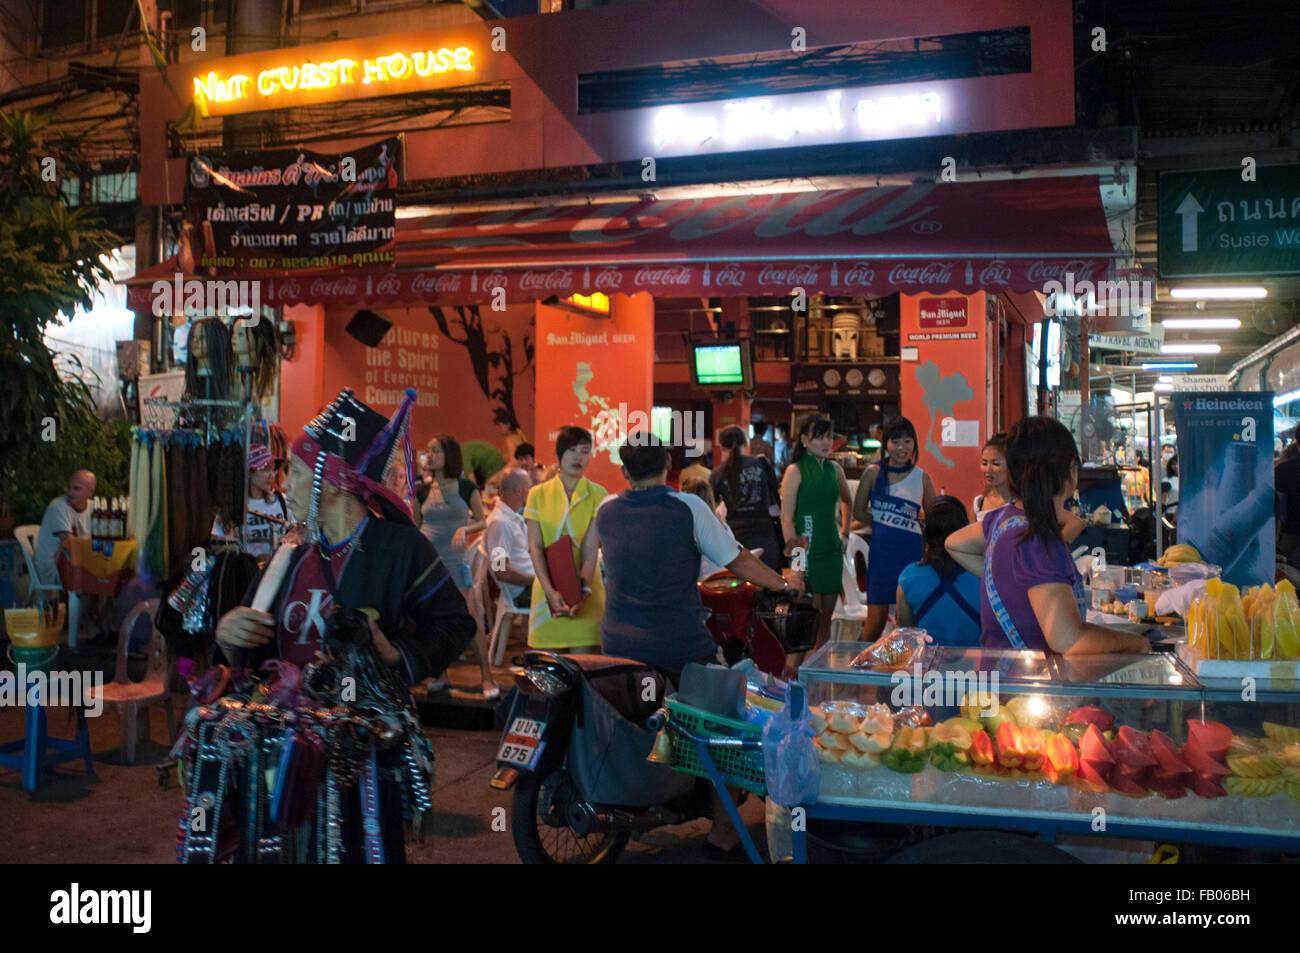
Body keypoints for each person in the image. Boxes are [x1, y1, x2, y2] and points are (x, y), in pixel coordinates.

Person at [214, 388, 477, 861]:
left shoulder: (400, 548)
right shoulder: (292, 554)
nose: (283, 486)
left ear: (327, 482)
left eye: (292, 474)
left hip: (360, 755)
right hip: (284, 751)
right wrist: (228, 631)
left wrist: (396, 655)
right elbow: (249, 645)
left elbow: (456, 625)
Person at [593, 434, 802, 854]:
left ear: (623, 471)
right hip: (675, 646)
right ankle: (724, 832)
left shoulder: (607, 509)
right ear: (668, 464)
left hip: (615, 643)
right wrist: (785, 583)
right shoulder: (688, 507)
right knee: (731, 723)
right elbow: (737, 560)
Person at [945, 416, 1152, 655]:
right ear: (1070, 471)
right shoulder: (1038, 540)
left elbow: (955, 544)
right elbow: (1068, 640)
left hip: (998, 681)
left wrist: (1010, 582)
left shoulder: (1003, 519)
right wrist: (1137, 644)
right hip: (1027, 686)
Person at [419, 435, 496, 698]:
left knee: (471, 616)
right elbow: (417, 526)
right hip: (430, 564)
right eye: (428, 450)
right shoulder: (422, 489)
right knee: (433, 620)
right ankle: (441, 674)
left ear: (448, 455)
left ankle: (487, 678)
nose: (429, 455)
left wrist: (464, 528)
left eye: (435, 450)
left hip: (457, 561)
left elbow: (481, 521)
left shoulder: (465, 487)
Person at [851, 418, 937, 641]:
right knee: (874, 623)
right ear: (885, 444)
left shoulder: (923, 477)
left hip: (912, 558)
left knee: (907, 623)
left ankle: (903, 672)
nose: (901, 447)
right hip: (881, 558)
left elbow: (935, 519)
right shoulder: (872, 473)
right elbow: (858, 513)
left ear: (915, 444)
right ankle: (855, 673)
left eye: (907, 441)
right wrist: (882, 519)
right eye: (895, 441)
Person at [523, 426, 607, 651]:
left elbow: (591, 550)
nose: (579, 456)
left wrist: (583, 591)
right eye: (572, 450)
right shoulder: (537, 494)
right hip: (546, 593)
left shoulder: (598, 494)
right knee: (548, 673)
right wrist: (551, 592)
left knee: (583, 671)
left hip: (587, 594)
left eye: (585, 451)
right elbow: (536, 547)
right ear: (558, 455)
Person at [781, 415, 855, 652]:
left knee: (825, 625)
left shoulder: (834, 468)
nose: (826, 442)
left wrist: (845, 533)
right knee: (806, 626)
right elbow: (786, 519)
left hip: (832, 550)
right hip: (807, 553)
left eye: (828, 437)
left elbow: (848, 500)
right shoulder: (795, 471)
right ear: (804, 440)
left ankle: (819, 681)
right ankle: (802, 682)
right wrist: (798, 562)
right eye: (819, 437)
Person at [896, 496, 981, 646]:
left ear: (927, 535)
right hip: (974, 664)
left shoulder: (909, 577)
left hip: (925, 665)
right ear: (965, 532)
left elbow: (905, 635)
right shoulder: (982, 575)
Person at [710, 425, 784, 573]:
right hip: (765, 532)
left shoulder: (717, 473)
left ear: (722, 447)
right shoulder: (762, 464)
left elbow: (711, 507)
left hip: (735, 537)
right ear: (745, 444)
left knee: (743, 584)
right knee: (770, 580)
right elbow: (776, 494)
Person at [211, 443, 291, 560]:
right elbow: (218, 546)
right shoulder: (232, 506)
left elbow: (297, 534)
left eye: (273, 469)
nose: (271, 475)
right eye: (265, 469)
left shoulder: (281, 501)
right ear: (249, 473)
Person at [484, 467, 535, 614]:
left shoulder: (512, 517)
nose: (531, 492)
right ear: (519, 490)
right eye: (529, 488)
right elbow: (501, 571)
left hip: (529, 585)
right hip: (523, 593)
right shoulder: (501, 523)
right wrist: (537, 580)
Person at [34, 469, 95, 589]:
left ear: (90, 492)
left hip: (77, 563)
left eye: (76, 489)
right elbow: (69, 543)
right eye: (69, 488)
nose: (70, 492)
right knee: (97, 578)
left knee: (112, 576)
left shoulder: (94, 508)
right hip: (54, 567)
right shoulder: (58, 506)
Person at [972, 433, 1014, 523]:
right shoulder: (978, 503)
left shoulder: (1020, 503)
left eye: (996, 464)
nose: (988, 469)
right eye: (984, 463)